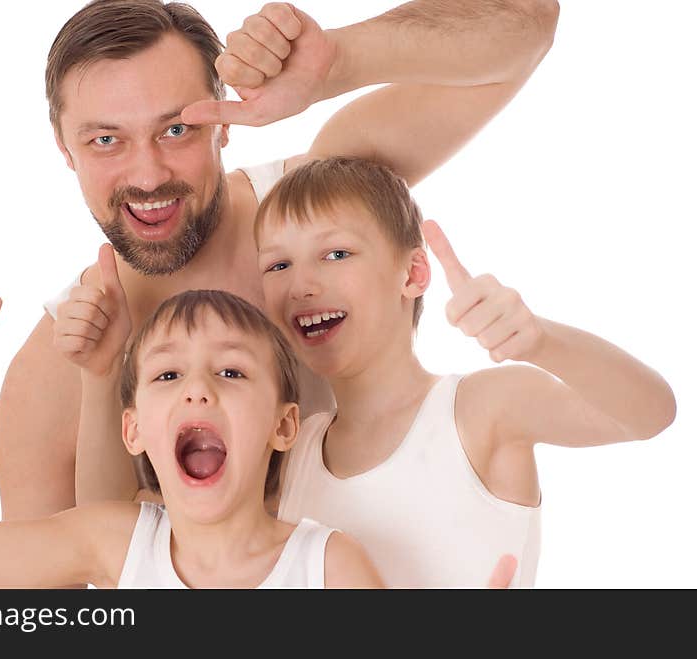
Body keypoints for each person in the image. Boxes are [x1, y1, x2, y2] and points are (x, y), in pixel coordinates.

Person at [0, 0, 561, 520]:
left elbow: (527, 22)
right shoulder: (59, 371)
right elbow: (50, 608)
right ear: (64, 149)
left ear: (223, 125)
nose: (148, 174)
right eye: (106, 140)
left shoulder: (319, 205)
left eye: (177, 128)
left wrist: (340, 60)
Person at [252, 156, 676, 587]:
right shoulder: (292, 453)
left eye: (336, 253)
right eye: (278, 265)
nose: (301, 284)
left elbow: (651, 413)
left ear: (413, 273)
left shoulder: (480, 411)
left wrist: (541, 341)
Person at [0, 278, 389, 588]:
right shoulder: (114, 543)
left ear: (283, 425)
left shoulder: (330, 569)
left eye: (232, 372)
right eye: (168, 376)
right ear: (133, 430)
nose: (197, 390)